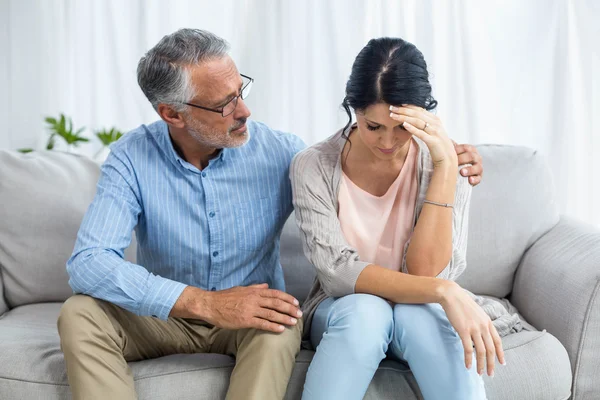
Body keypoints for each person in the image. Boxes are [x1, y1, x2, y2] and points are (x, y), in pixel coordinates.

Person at [57, 29, 486, 400]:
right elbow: (89, 263)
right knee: (79, 314)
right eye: (224, 104)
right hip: (165, 315)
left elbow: (346, 172)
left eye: (241, 91)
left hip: (255, 317)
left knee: (281, 322)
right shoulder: (132, 157)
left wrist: (448, 163)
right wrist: (204, 303)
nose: (245, 111)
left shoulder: (282, 152)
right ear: (172, 113)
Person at [291, 37, 519, 400]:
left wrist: (444, 168)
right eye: (373, 126)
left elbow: (428, 272)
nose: (387, 142)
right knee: (367, 313)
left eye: (401, 127)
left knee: (420, 317)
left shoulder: (449, 161)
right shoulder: (313, 165)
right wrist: (445, 292)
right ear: (353, 109)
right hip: (346, 310)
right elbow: (336, 274)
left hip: (420, 308)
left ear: (424, 114)